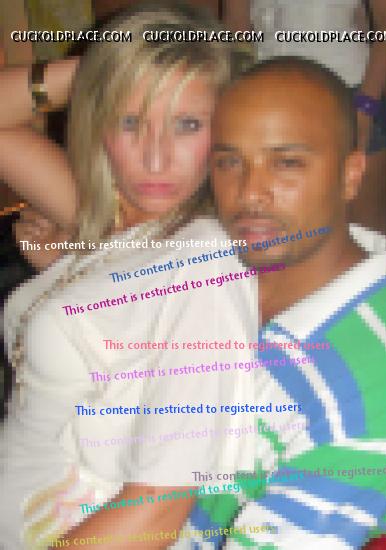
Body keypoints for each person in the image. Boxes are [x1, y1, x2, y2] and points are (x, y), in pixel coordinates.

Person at [0, 3, 257, 549]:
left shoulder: (200, 262)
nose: (156, 159)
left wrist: (122, 79)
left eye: (187, 124)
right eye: (130, 121)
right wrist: (106, 69)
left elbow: (157, 511)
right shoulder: (112, 220)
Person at [178, 56, 386, 549]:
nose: (249, 194)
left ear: (351, 175)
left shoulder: (366, 398)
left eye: (286, 163)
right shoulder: (215, 263)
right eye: (229, 162)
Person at [223, 0, 386, 233]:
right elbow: (236, 27)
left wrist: (366, 106)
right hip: (271, 102)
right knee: (286, 226)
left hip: (353, 96)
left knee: (365, 231)